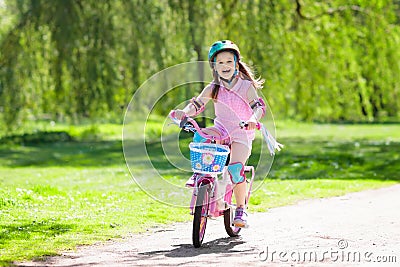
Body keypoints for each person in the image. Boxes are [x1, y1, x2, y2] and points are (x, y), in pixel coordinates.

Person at [171, 40, 266, 228]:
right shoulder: (213, 87)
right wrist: (185, 112)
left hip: (241, 132)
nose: (225, 66)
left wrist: (253, 120)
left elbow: (258, 107)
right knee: (201, 136)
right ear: (214, 66)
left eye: (229, 62)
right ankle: (201, 175)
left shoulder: (246, 87)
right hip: (221, 129)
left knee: (235, 168)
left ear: (237, 64)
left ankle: (240, 209)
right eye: (220, 62)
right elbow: (197, 105)